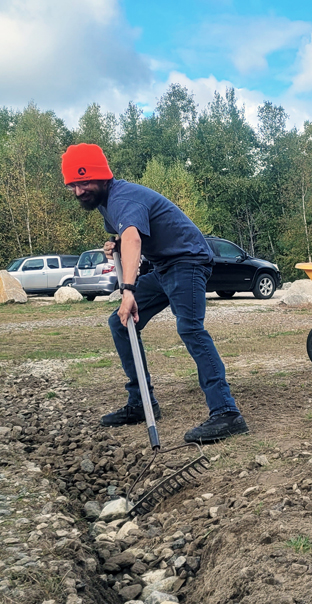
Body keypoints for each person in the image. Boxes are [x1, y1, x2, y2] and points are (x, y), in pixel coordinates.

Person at [61, 143, 249, 444]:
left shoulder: (124, 197)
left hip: (188, 260)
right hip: (164, 266)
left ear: (102, 176)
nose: (80, 191)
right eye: (74, 185)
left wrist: (128, 290)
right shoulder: (106, 204)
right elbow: (128, 238)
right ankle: (140, 403)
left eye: (85, 182)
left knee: (190, 328)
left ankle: (227, 413)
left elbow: (134, 237)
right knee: (120, 323)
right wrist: (115, 245)